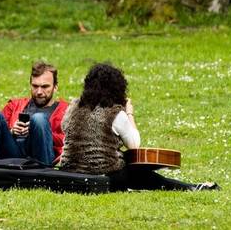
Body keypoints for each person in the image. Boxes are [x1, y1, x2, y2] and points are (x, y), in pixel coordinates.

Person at [58, 62, 218, 191]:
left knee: (129, 163)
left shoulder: (73, 107)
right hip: (101, 171)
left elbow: (65, 129)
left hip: (69, 169)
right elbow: (134, 145)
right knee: (138, 169)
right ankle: (189, 187)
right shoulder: (114, 113)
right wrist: (129, 113)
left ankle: (189, 187)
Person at [0, 60, 68, 167]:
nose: (39, 92)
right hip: (12, 154)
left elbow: (69, 143)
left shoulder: (66, 111)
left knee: (39, 119)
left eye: (45, 87)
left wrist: (37, 130)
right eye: (35, 86)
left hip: (40, 158)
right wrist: (12, 131)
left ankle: (42, 172)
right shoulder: (15, 105)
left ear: (55, 87)